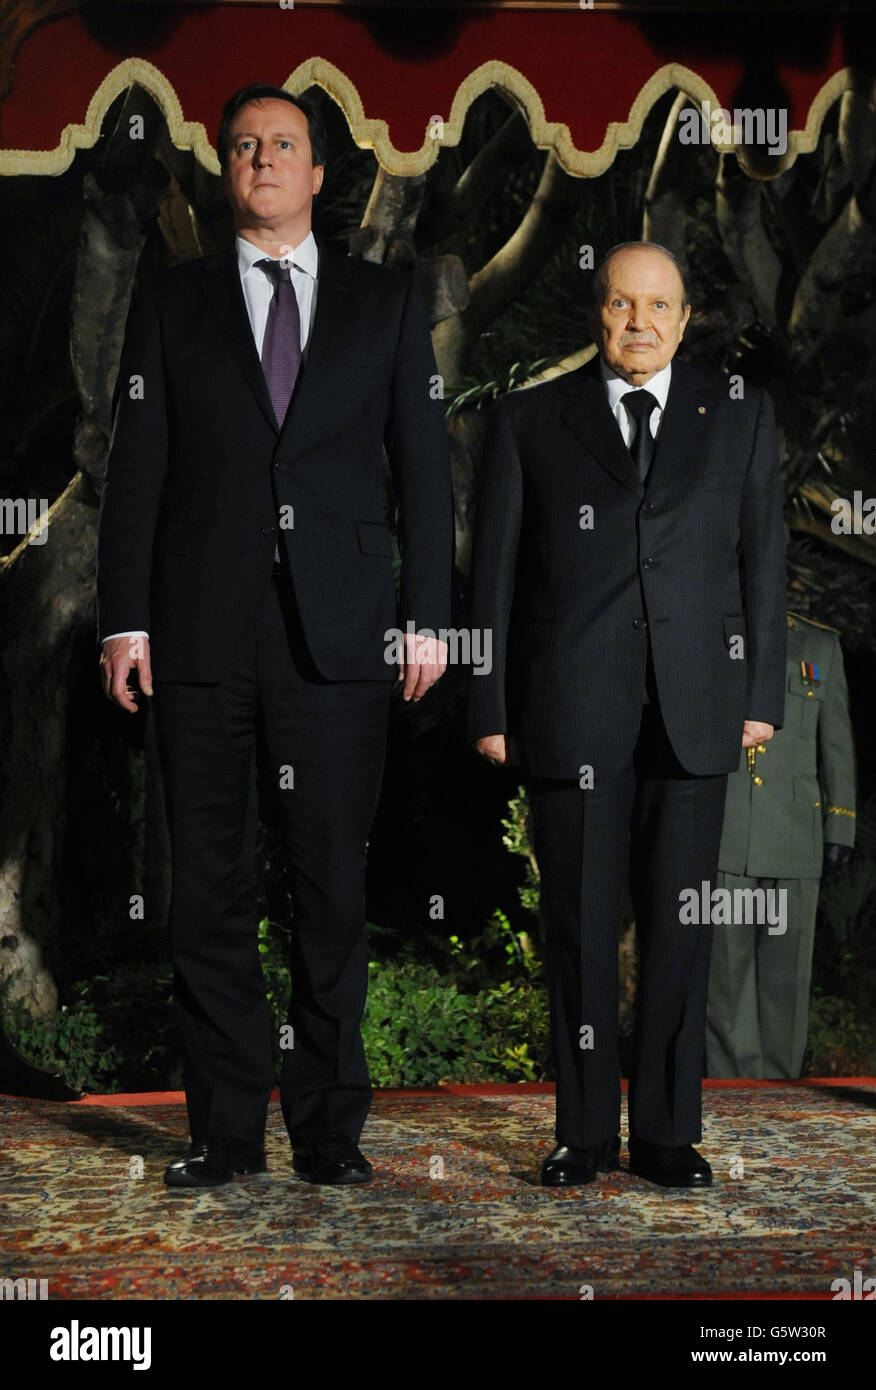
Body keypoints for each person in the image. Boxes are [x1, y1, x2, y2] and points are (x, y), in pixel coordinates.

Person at [97, 83, 453, 1189]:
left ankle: (330, 1130)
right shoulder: (171, 301)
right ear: (226, 168)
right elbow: (134, 471)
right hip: (200, 639)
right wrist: (125, 619)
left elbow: (428, 474)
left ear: (317, 171)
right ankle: (226, 1130)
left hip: (339, 639)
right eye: (243, 144)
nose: (261, 158)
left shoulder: (386, 304)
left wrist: (430, 615)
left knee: (329, 891)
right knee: (206, 892)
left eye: (282, 144)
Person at [467, 241, 786, 1189]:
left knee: (681, 930)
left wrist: (759, 696)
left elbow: (763, 567)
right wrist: (489, 704)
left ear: (686, 320)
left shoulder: (739, 418)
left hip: (697, 710)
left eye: (658, 306)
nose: (639, 322)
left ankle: (666, 1134)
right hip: (569, 711)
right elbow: (492, 580)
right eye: (620, 304)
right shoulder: (528, 421)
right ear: (597, 314)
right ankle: (581, 1132)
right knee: (575, 928)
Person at [707, 610, 856, 1079]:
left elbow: (835, 742)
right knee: (725, 982)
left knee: (785, 977)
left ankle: (779, 1090)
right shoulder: (710, 629)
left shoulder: (819, 644)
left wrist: (840, 825)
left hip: (794, 832)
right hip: (725, 829)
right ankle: (733, 1095)